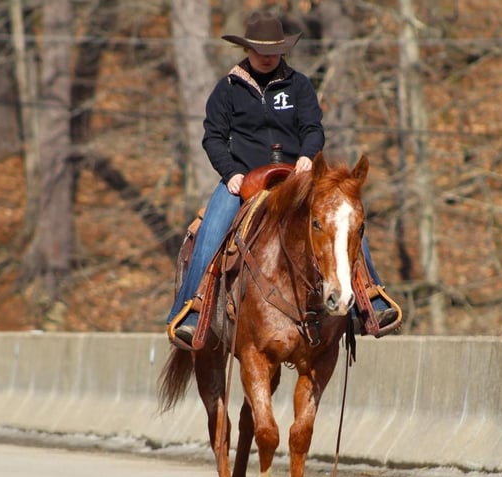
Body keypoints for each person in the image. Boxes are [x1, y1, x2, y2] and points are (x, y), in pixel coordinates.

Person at [166, 11, 399, 349]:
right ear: (247, 50)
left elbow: (313, 128)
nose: (267, 56)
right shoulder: (228, 89)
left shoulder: (299, 84)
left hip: (297, 177)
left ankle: (371, 299)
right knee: (211, 232)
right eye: (260, 50)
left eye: (273, 50)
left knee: (344, 221)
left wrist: (307, 156)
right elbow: (213, 138)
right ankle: (191, 311)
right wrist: (230, 173)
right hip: (244, 179)